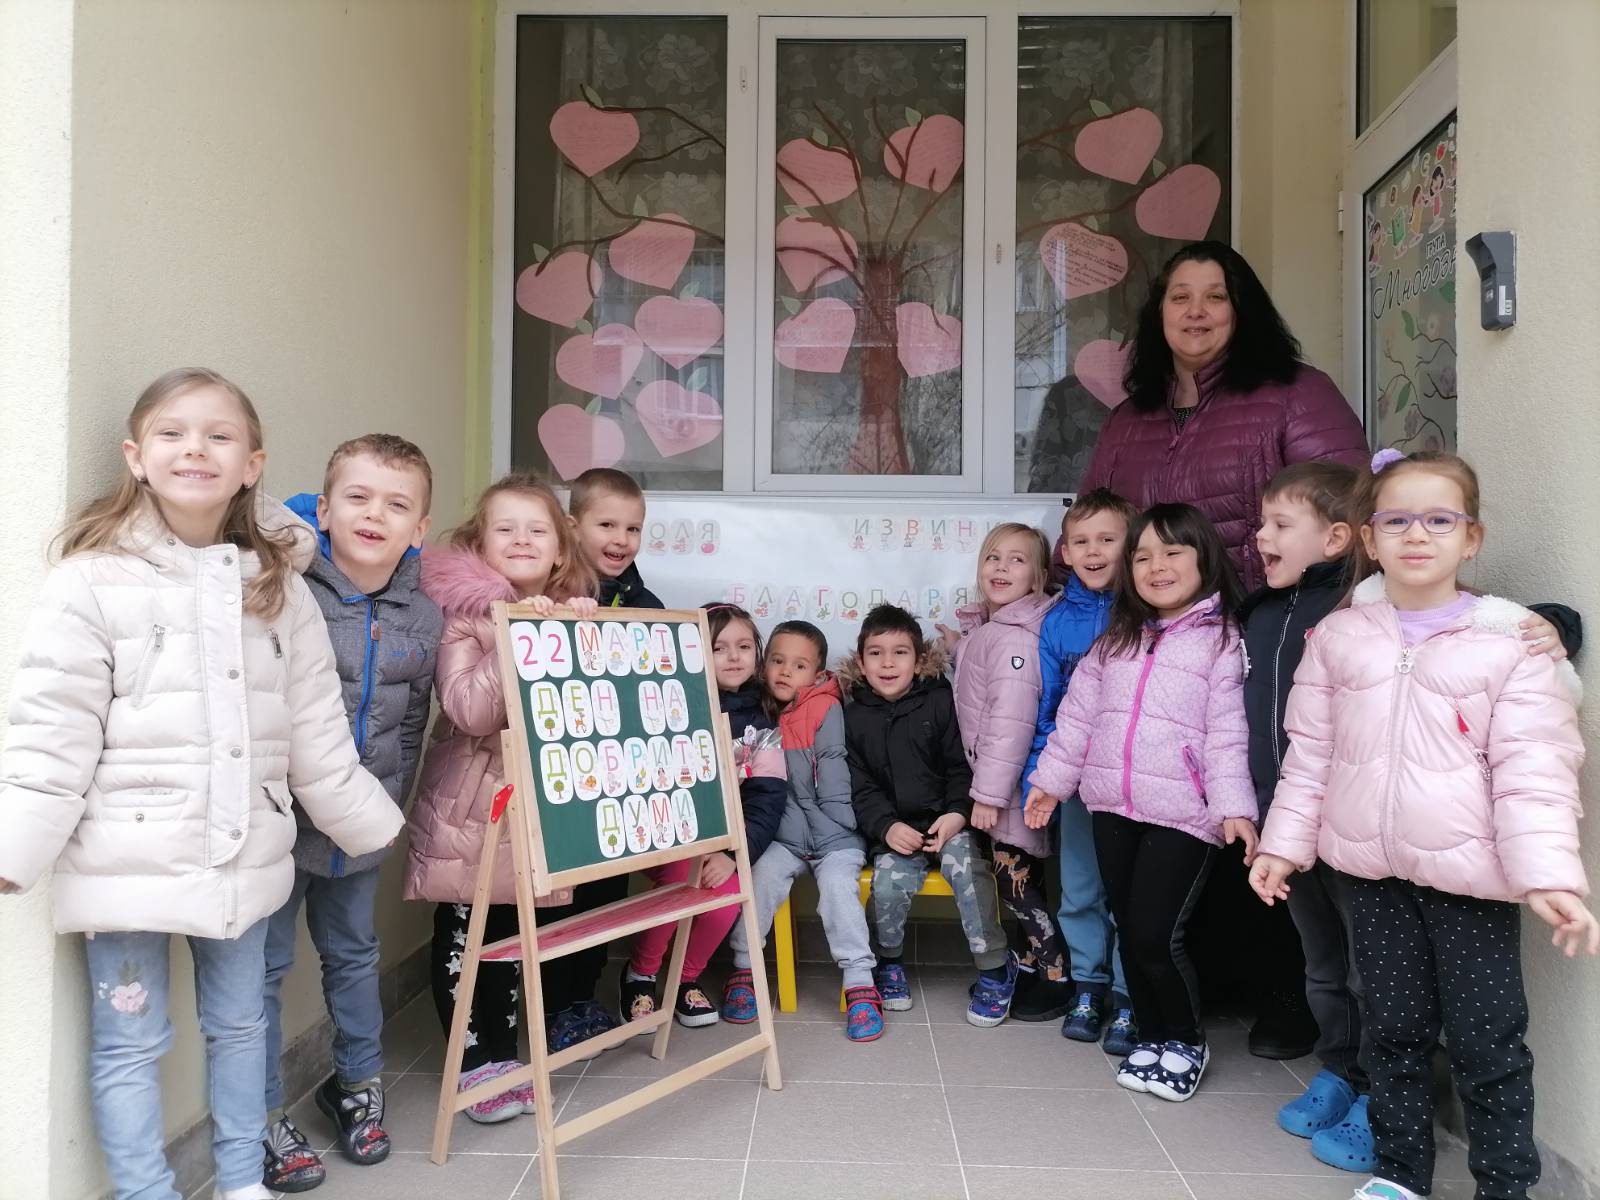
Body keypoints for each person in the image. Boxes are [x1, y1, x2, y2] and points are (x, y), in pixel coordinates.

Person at [0, 368, 404, 1200]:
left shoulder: (279, 587)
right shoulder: (92, 579)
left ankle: (240, 1182)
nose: (195, 449)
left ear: (252, 464)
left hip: (242, 850)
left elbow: (315, 726)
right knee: (129, 1042)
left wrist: (371, 825)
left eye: (219, 436)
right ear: (136, 457)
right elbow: (52, 725)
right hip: (122, 858)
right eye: (173, 433)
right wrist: (16, 848)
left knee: (242, 1025)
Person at [1250, 449, 1596, 1200]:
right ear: (1369, 540)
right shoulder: (1339, 638)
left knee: (1487, 1044)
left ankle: (1504, 1186)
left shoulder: (1513, 643)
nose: (1417, 535)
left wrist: (1548, 879)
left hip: (1471, 884)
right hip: (1371, 876)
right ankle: (1400, 1174)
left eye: (1439, 520)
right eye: (1397, 520)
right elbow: (1310, 757)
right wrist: (1283, 845)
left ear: (1471, 539)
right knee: (1393, 1032)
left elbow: (1535, 771)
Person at [1025, 504, 1257, 1103]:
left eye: (1172, 552)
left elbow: (1229, 732)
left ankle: (1185, 1041)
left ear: (1204, 559)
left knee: (1157, 936)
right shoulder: (1117, 639)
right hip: (1111, 806)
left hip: (1183, 813)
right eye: (1144, 556)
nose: (1157, 567)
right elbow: (1078, 719)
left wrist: (1234, 805)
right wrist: (1051, 782)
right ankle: (1152, 1038)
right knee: (1130, 930)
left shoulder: (1222, 640)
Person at [261, 436, 442, 1191]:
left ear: (419, 529)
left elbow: (413, 721)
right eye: (359, 498)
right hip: (279, 825)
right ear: (326, 509)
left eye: (397, 505)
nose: (375, 515)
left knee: (354, 955)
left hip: (360, 823)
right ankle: (260, 1113)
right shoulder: (287, 588)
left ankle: (357, 1085)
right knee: (264, 969)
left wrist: (386, 808)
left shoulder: (423, 615)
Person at [405, 475, 606, 1125]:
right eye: (506, 528)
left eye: (537, 529)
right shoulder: (465, 614)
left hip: (532, 812)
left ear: (560, 550)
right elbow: (469, 711)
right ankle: (471, 1065)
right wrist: (520, 636)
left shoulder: (570, 610)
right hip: (473, 809)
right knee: (465, 936)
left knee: (516, 936)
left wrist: (580, 640)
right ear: (480, 542)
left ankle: (504, 1056)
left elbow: (585, 717)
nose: (522, 539)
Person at [1077, 241, 1367, 593]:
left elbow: (1350, 518)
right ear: (1160, 312)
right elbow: (1085, 529)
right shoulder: (1125, 420)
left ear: (1241, 310)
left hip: (1262, 619)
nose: (1195, 311)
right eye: (1180, 297)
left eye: (1215, 297)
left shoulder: (1299, 392)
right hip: (1142, 624)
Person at [840, 605, 1011, 1027]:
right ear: (861, 662)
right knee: (886, 884)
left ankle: (994, 968)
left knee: (969, 871)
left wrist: (957, 814)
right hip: (896, 831)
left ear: (918, 662)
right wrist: (886, 827)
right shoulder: (853, 715)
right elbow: (859, 787)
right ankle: (889, 963)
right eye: (876, 653)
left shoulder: (940, 700)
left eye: (900, 653)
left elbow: (960, 766)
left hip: (947, 824)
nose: (887, 663)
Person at [621, 602, 784, 1029]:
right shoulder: (668, 706)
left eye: (744, 646)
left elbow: (768, 798)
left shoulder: (762, 719)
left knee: (725, 899)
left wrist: (734, 854)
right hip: (667, 837)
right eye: (718, 647)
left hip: (724, 843)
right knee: (683, 879)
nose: (734, 656)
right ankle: (641, 975)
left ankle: (685, 979)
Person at [723, 622, 881, 1041]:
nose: (785, 671)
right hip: (785, 838)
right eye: (777, 661)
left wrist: (842, 826)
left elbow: (832, 766)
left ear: (817, 673)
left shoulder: (826, 706)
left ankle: (860, 982)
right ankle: (744, 968)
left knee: (838, 890)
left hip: (836, 836)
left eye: (798, 665)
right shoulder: (756, 711)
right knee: (760, 879)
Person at [1023, 489, 1139, 1047]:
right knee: (1080, 892)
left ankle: (1128, 997)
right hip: (1073, 785)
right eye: (1081, 541)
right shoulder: (1054, 622)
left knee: (1129, 898)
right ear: (1064, 552)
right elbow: (1045, 707)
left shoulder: (1146, 615)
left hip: (1133, 785)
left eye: (1107, 539)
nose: (1093, 552)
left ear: (1131, 545)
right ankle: (1089, 987)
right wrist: (1042, 777)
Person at [950, 523, 1059, 1023]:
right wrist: (959, 646)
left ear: (1038, 577)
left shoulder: (1015, 638)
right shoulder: (995, 630)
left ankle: (1056, 976)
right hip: (1000, 782)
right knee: (1016, 877)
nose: (1001, 567)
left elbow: (1010, 722)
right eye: (993, 557)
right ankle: (1034, 964)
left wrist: (989, 795)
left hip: (1008, 788)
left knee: (1017, 883)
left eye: (1017, 560)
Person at [567, 466, 663, 608]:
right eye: (607, 525)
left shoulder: (651, 608)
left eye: (633, 529)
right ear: (573, 529)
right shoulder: (547, 596)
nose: (622, 540)